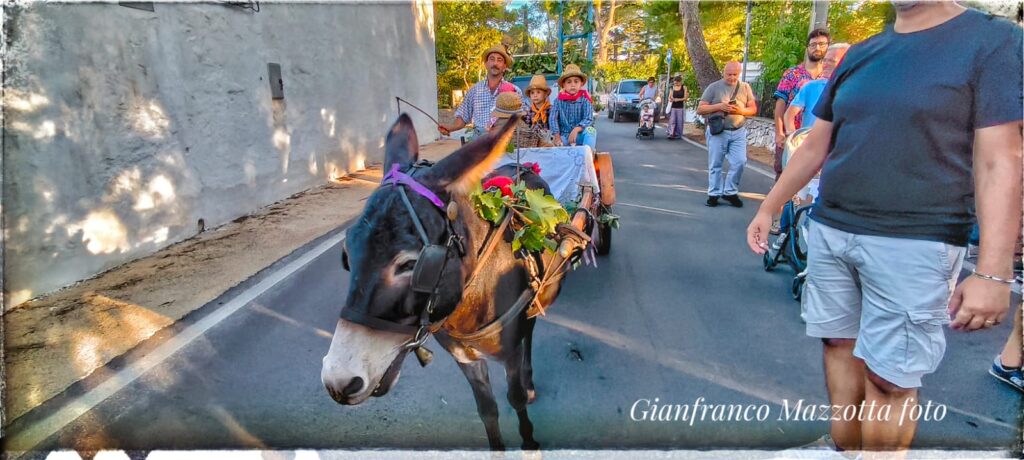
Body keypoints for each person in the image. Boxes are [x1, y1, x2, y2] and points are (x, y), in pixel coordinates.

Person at [746, 2, 1022, 455]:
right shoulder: (862, 54)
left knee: (889, 380)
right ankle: (845, 448)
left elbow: (1000, 157)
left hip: (918, 241)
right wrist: (769, 208)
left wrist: (993, 273)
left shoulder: (992, 40)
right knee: (837, 343)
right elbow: (818, 143)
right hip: (833, 229)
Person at [696, 61, 757, 208]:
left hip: (738, 130)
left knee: (740, 161)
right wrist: (719, 106)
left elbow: (753, 109)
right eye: (729, 74)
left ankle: (730, 191)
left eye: (735, 75)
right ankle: (714, 193)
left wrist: (740, 111)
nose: (732, 78)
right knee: (715, 163)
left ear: (739, 73)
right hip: (719, 131)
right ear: (724, 73)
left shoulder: (745, 87)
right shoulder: (714, 87)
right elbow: (700, 109)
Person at [772, 28, 829, 179]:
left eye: (822, 44)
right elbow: (780, 104)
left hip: (819, 138)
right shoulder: (793, 73)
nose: (817, 48)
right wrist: (780, 132)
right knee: (784, 176)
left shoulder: (830, 76)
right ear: (808, 48)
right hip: (793, 136)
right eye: (813, 44)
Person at [439, 44, 524, 137]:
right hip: (479, 140)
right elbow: (463, 116)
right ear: (486, 64)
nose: (495, 63)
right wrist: (450, 128)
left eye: (499, 60)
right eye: (492, 59)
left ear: (504, 67)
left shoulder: (514, 91)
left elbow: (521, 119)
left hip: (505, 140)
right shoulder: (474, 90)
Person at [784, 43, 850, 134]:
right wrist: (793, 136)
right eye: (825, 60)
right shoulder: (811, 87)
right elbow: (789, 115)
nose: (825, 65)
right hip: (810, 145)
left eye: (831, 61)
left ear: (847, 63)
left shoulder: (855, 92)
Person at [550, 64, 597, 150]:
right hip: (564, 136)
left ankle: (588, 155)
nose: (573, 85)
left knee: (591, 131)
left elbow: (589, 118)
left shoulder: (585, 100)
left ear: (581, 83)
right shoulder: (558, 100)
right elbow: (553, 119)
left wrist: (577, 129)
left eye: (576, 81)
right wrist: (557, 136)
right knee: (556, 147)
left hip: (580, 134)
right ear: (563, 85)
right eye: (569, 82)